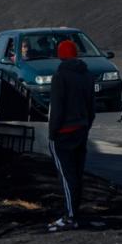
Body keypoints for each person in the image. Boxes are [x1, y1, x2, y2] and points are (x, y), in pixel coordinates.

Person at [46, 38, 96, 232]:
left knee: (66, 176)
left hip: (63, 131)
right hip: (81, 129)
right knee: (76, 174)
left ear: (61, 55)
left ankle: (70, 216)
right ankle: (74, 212)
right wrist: (86, 124)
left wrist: (52, 132)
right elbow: (92, 106)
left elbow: (57, 108)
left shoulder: (60, 76)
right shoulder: (87, 75)